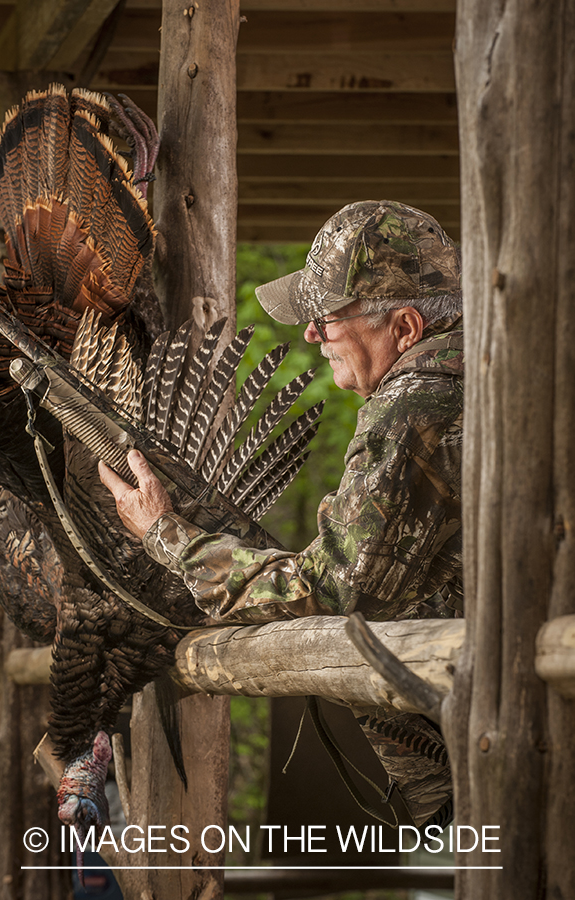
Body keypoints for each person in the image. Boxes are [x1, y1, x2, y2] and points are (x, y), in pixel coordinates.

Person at [99, 200, 463, 828]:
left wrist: (170, 536)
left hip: (498, 737)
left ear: (405, 328)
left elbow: (333, 589)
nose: (311, 337)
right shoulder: (474, 372)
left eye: (327, 318)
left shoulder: (417, 400)